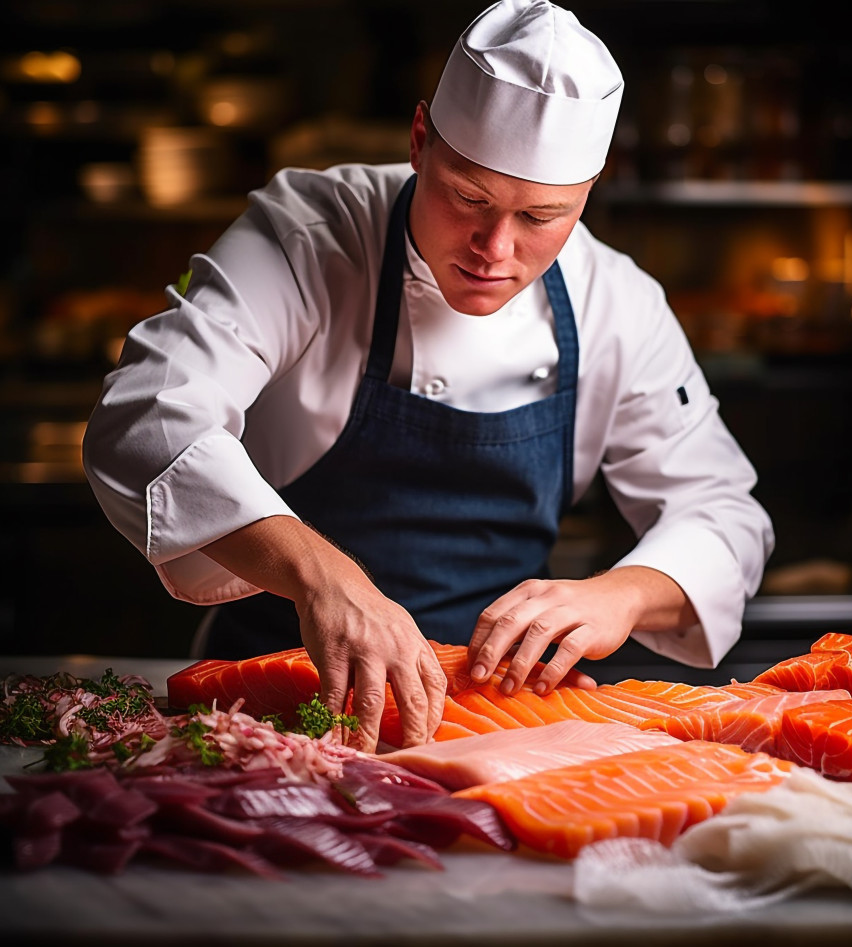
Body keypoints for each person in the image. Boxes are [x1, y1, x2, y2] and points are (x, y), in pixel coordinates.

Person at [82, 0, 774, 752]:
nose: (494, 247)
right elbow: (149, 415)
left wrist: (623, 594)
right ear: (419, 141)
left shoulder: (617, 302)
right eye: (468, 198)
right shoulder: (309, 234)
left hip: (496, 712)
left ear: (587, 193)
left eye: (541, 217)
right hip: (274, 691)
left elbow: (723, 514)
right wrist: (324, 580)